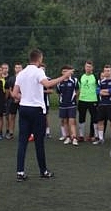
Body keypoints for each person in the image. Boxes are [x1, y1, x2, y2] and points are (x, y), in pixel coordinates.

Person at [12, 49, 69, 181]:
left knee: (22, 142)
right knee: (39, 142)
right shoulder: (38, 71)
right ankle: (43, 171)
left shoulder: (21, 73)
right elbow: (47, 84)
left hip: (24, 108)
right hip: (36, 110)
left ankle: (20, 172)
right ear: (39, 59)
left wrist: (25, 97)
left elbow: (14, 94)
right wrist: (64, 77)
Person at [56, 65, 79, 146]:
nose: (65, 73)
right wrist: (61, 100)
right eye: (64, 71)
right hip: (63, 105)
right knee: (65, 121)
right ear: (62, 72)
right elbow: (59, 93)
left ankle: (74, 138)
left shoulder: (74, 80)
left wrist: (74, 98)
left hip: (72, 104)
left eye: (67, 71)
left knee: (72, 121)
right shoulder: (59, 82)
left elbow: (77, 90)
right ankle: (68, 137)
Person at [95, 64, 111, 145]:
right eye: (105, 71)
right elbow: (98, 92)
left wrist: (104, 91)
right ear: (103, 72)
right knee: (100, 121)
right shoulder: (100, 81)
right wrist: (106, 91)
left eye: (108, 71)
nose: (107, 72)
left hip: (110, 104)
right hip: (101, 104)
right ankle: (101, 139)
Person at [77, 60, 98, 142]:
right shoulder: (81, 76)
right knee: (81, 117)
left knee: (94, 118)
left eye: (89, 67)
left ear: (92, 68)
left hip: (93, 100)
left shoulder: (95, 77)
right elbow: (79, 88)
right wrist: (76, 97)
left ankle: (93, 135)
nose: (88, 68)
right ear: (84, 67)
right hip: (82, 100)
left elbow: (98, 88)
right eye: (87, 66)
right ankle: (81, 135)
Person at [4, 62, 22, 139]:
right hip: (13, 101)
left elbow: (26, 90)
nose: (18, 69)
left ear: (22, 69)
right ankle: (11, 133)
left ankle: (23, 133)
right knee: (12, 117)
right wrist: (15, 97)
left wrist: (19, 98)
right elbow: (10, 90)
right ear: (14, 69)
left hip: (22, 101)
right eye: (16, 67)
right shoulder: (11, 79)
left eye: (19, 67)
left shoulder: (25, 78)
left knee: (23, 118)